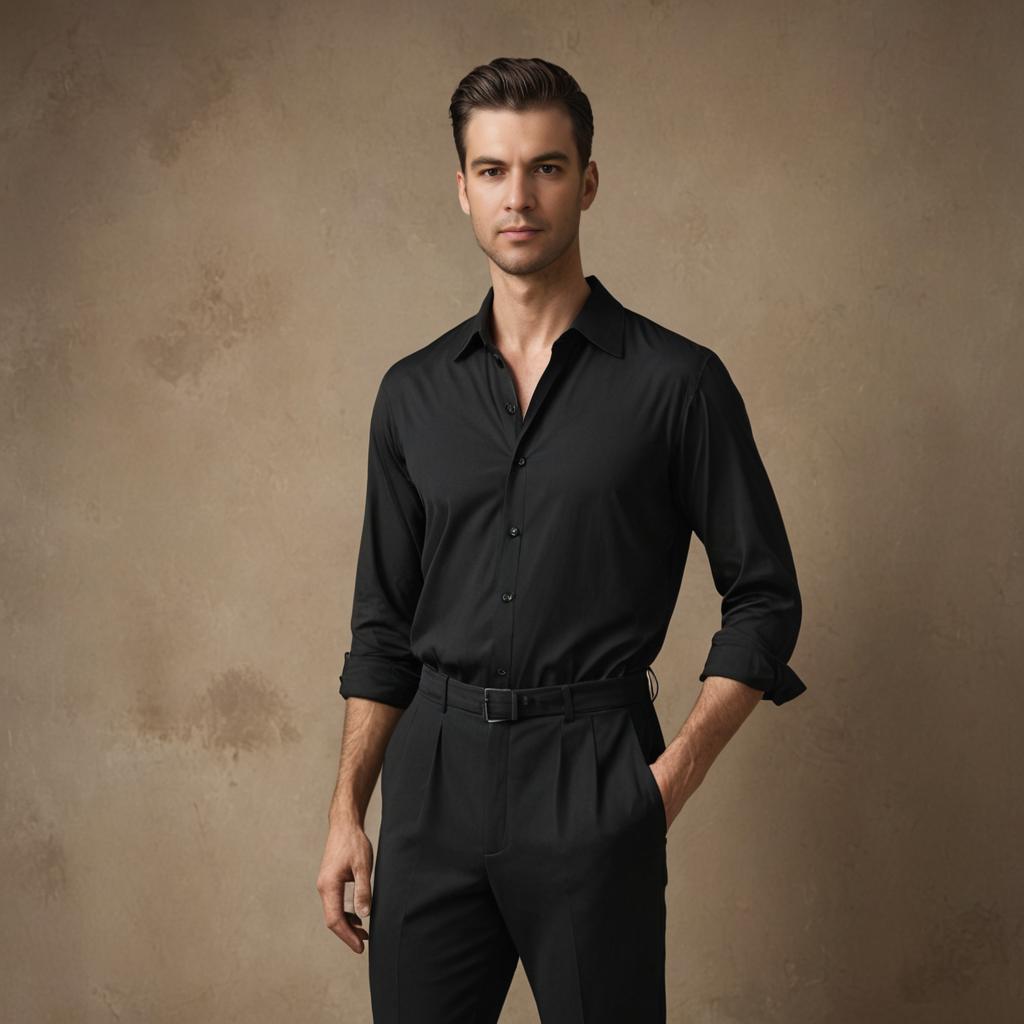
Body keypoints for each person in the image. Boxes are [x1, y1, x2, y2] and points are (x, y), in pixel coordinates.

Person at [316, 56, 807, 1023]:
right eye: (493, 170)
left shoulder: (677, 384)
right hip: (434, 781)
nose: (520, 196)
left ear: (587, 180)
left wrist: (666, 780)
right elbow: (382, 624)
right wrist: (346, 812)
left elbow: (765, 595)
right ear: (462, 189)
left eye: (545, 167)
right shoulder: (412, 394)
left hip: (594, 771)